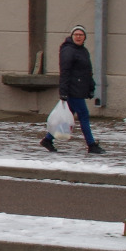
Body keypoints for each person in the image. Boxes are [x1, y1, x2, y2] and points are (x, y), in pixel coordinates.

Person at [42, 25, 103, 155]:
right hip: (72, 91)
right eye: (76, 34)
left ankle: (48, 139)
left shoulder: (82, 50)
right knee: (84, 116)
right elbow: (65, 72)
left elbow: (87, 72)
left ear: (85, 37)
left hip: (79, 89)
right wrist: (63, 92)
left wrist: (91, 87)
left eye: (81, 35)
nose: (78, 37)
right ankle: (91, 145)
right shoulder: (68, 50)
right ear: (72, 36)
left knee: (66, 119)